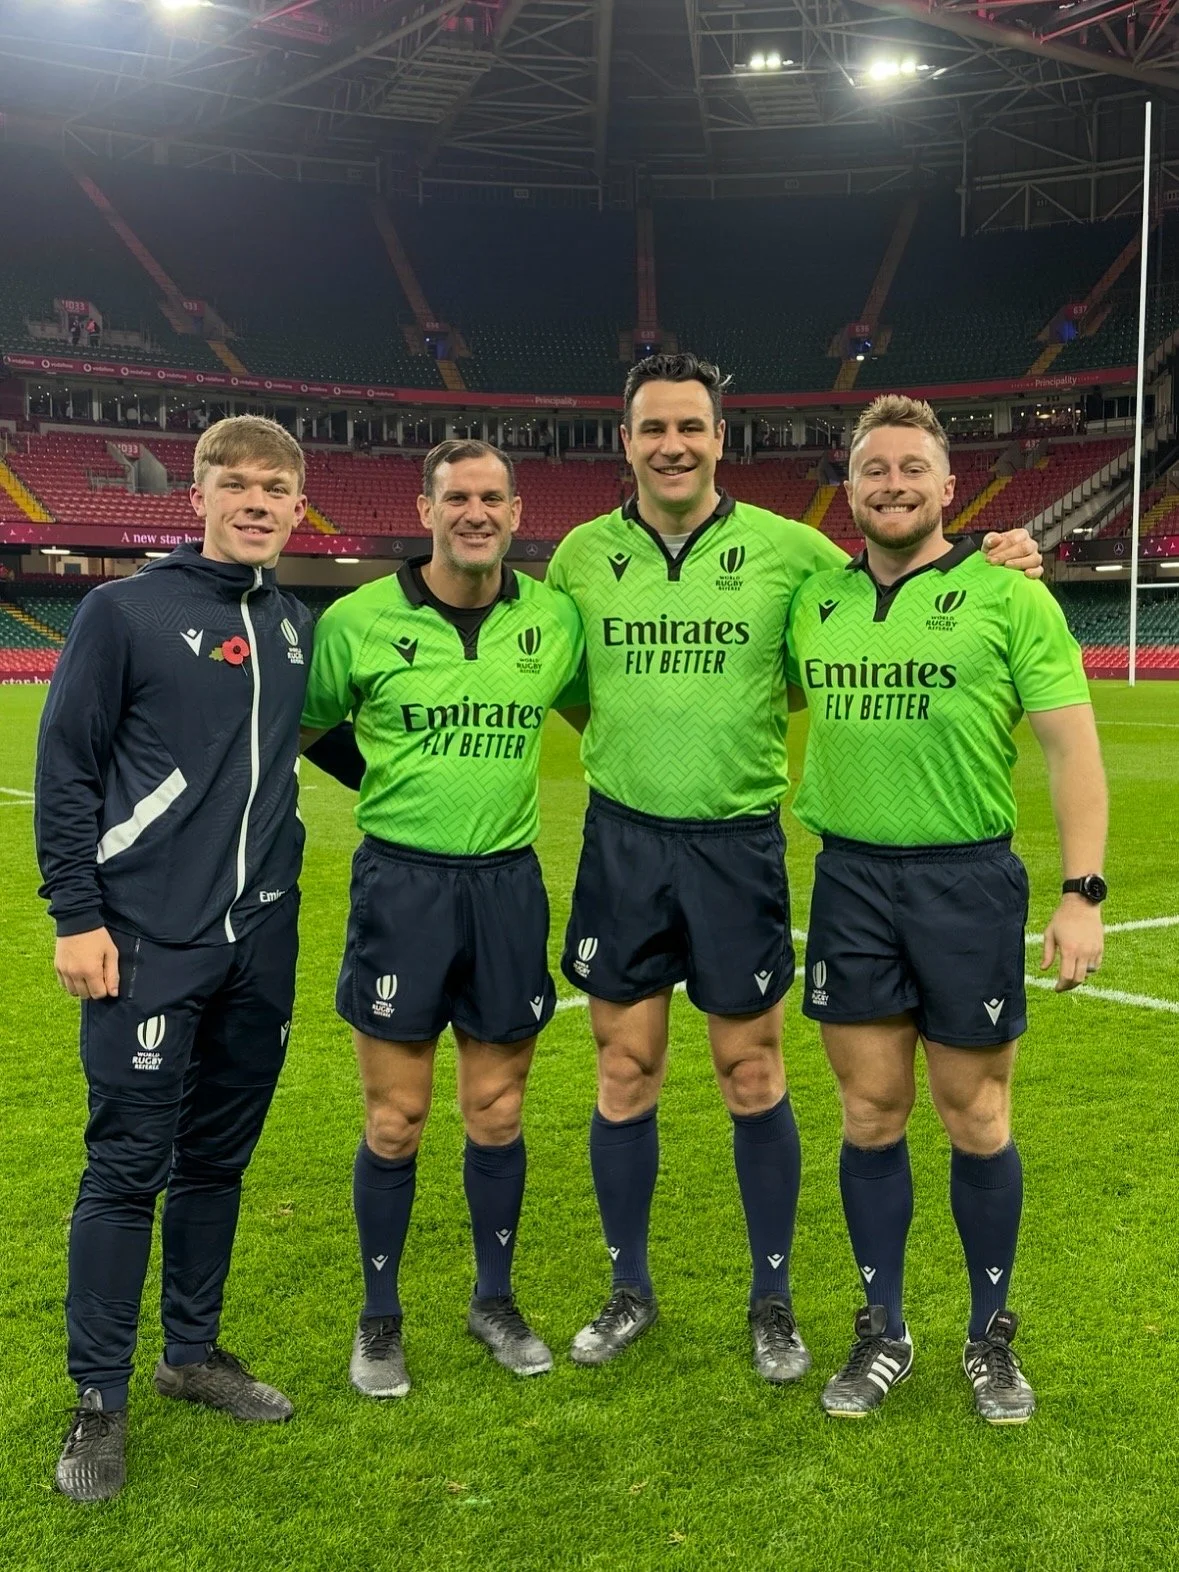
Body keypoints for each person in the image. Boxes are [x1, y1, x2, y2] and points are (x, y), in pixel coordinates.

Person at [546, 353, 1043, 1383]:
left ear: (721, 437)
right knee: (624, 1069)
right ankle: (629, 1287)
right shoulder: (580, 559)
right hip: (622, 843)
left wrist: (1008, 561)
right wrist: (644, 744)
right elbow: (572, 686)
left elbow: (882, 609)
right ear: (626, 442)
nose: (672, 445)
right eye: (653, 429)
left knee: (751, 1070)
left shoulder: (796, 555)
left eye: (691, 426)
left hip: (738, 844)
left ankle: (772, 1303)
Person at [788, 395, 1106, 1424]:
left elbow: (1072, 750)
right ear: (851, 485)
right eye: (873, 468)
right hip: (851, 881)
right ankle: (883, 1328)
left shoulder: (1012, 598)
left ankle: (988, 1338)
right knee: (871, 1112)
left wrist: (1080, 893)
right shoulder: (813, 602)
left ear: (947, 485)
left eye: (911, 467)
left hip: (967, 883)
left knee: (976, 1117)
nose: (891, 483)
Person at [36, 415, 314, 1503]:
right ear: (194, 494)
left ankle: (192, 1355)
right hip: (146, 935)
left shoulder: (295, 623)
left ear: (301, 506)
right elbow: (67, 770)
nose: (255, 502)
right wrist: (76, 914)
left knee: (218, 1161)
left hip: (260, 940)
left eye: (275, 488)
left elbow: (325, 746)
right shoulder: (122, 610)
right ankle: (96, 1400)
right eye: (235, 484)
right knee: (124, 1168)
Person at [300, 439, 584, 1399]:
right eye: (456, 496)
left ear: (515, 512)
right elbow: (303, 721)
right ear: (425, 508)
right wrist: (379, 775)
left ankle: (491, 1299)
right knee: (396, 1120)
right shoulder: (356, 621)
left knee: (496, 1112)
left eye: (492, 497)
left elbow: (612, 708)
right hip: (402, 889)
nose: (475, 512)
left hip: (506, 886)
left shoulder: (553, 618)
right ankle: (379, 1319)